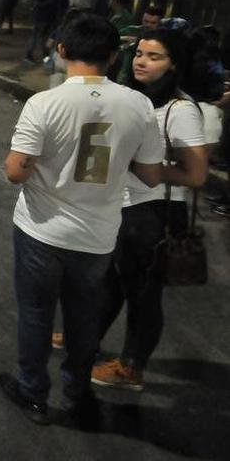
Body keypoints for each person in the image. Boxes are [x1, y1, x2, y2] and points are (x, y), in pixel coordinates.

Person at [0, 13, 164, 427]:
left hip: (41, 228)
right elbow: (149, 173)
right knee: (83, 316)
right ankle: (79, 392)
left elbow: (15, 170)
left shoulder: (46, 102)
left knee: (37, 313)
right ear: (113, 56)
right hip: (97, 236)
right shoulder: (138, 103)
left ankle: (34, 392)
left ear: (62, 50)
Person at [90, 29, 208, 392]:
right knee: (112, 282)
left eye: (154, 56)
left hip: (155, 212)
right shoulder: (139, 99)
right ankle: (86, 338)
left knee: (143, 294)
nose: (141, 61)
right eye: (139, 53)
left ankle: (131, 367)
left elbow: (197, 174)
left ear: (174, 64)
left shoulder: (181, 110)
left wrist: (145, 168)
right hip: (128, 206)